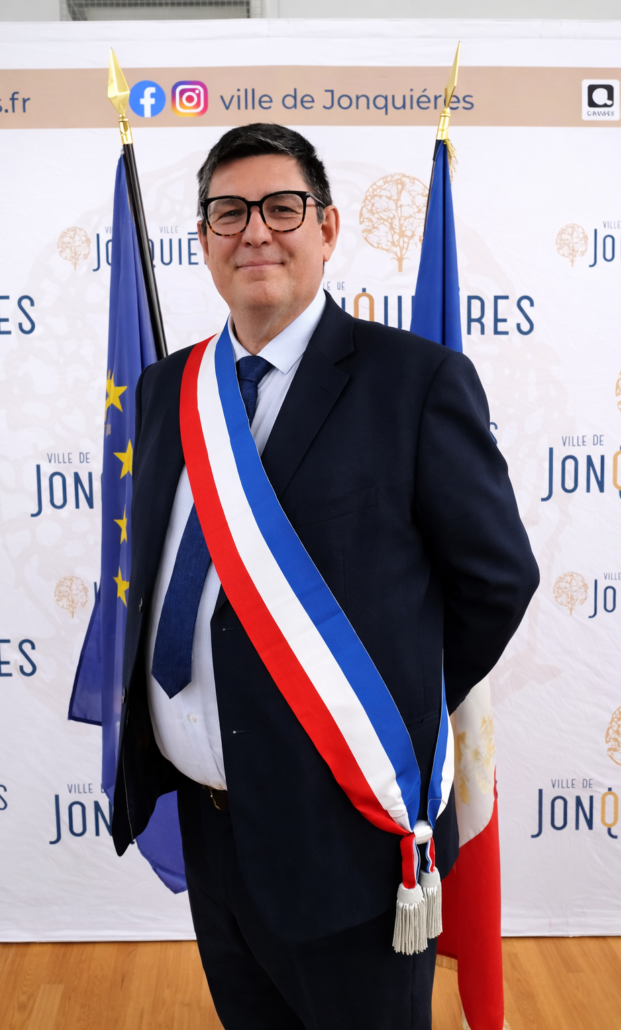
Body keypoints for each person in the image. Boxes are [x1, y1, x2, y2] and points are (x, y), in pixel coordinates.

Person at [112, 123, 539, 1030]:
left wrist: (384, 702)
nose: (254, 232)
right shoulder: (166, 390)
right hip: (210, 819)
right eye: (228, 213)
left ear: (328, 227)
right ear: (203, 239)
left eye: (282, 208)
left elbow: (495, 580)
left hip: (348, 825)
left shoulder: (414, 381)